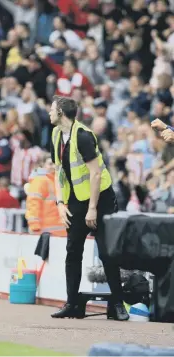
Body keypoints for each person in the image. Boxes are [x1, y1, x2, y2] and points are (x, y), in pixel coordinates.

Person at [48, 96, 128, 321]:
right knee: (73, 251)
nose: (49, 113)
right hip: (75, 200)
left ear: (62, 113)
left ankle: (118, 304)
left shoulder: (82, 136)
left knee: (107, 252)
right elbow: (58, 172)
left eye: (52, 109)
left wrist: (92, 209)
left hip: (100, 199)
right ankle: (72, 304)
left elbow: (95, 173)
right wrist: (60, 203)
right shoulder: (56, 135)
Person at [24, 153, 66, 237]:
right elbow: (33, 203)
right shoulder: (40, 180)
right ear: (42, 165)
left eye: (55, 164)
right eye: (50, 164)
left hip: (60, 231)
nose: (53, 166)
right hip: (45, 232)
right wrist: (34, 225)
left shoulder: (58, 181)